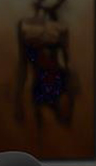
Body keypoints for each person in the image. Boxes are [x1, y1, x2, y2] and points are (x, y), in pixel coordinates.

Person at [14, 0, 75, 131]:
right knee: (43, 128)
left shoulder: (56, 29)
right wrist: (18, 99)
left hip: (54, 82)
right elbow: (22, 65)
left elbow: (23, 65)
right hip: (45, 82)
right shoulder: (28, 28)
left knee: (57, 126)